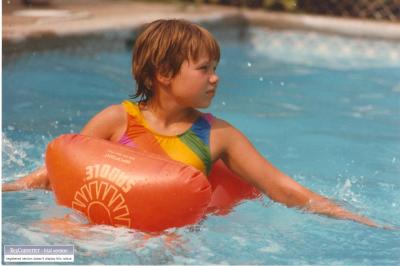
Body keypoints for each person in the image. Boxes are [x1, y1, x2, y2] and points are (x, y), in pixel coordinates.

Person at [2, 19, 377, 227]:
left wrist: (351, 216)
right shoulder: (117, 120)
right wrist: (13, 187)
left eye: (216, 69)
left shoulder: (218, 136)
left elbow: (279, 186)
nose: (215, 78)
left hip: (161, 242)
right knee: (37, 248)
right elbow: (64, 170)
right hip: (92, 228)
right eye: (204, 69)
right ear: (164, 73)